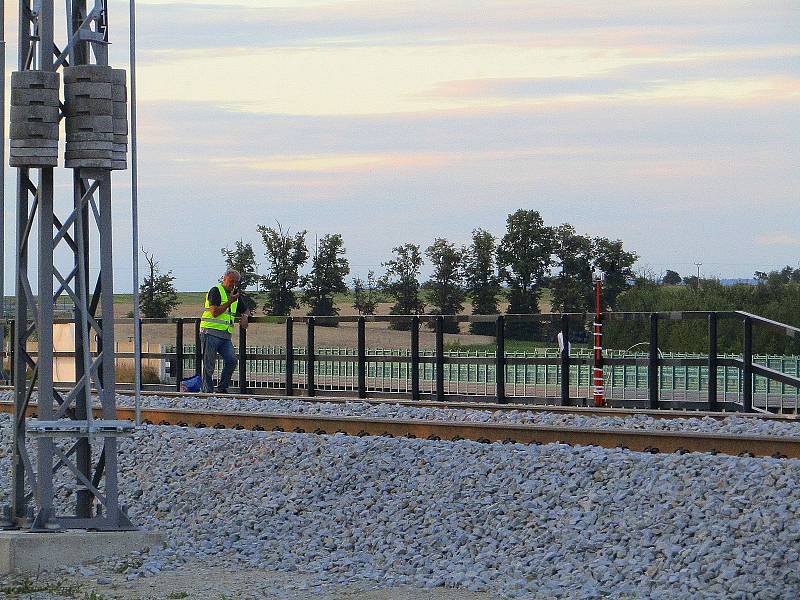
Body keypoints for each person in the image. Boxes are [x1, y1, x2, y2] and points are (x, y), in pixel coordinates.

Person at [199, 269, 251, 393]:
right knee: (209, 365)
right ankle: (207, 392)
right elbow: (214, 312)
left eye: (235, 282)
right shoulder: (216, 291)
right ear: (224, 279)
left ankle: (222, 388)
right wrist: (229, 302)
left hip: (225, 335)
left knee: (232, 360)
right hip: (210, 332)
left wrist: (245, 316)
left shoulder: (235, 295)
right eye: (231, 281)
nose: (233, 284)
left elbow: (246, 309)